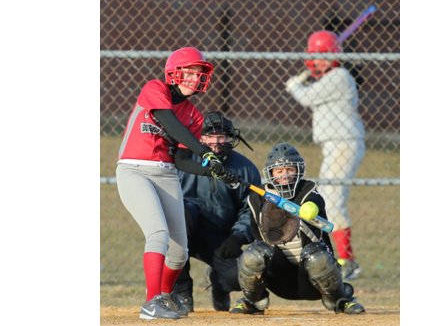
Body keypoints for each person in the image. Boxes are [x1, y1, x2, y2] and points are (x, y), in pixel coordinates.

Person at [115, 47, 237, 320]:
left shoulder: (194, 115)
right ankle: (150, 303)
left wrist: (212, 171)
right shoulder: (155, 88)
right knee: (158, 234)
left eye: (200, 72)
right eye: (191, 71)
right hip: (135, 170)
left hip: (167, 174)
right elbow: (171, 124)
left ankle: (164, 296)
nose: (196, 76)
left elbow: (182, 159)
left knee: (180, 252)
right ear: (174, 73)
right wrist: (206, 153)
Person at [229, 143, 365, 315]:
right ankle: (253, 301)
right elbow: (257, 236)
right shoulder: (257, 198)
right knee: (253, 254)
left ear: (298, 170)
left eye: (289, 169)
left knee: (317, 256)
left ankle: (340, 300)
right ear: (270, 173)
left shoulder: (307, 190)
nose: (285, 175)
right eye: (279, 171)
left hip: (313, 280)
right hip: (279, 279)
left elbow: (316, 201)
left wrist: (310, 208)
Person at [284, 30, 366, 280]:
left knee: (331, 200)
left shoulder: (339, 76)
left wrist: (295, 85)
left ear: (334, 57)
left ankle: (347, 261)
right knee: (327, 198)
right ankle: (340, 257)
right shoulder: (329, 79)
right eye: (314, 56)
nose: (317, 61)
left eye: (322, 56)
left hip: (344, 143)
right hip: (335, 144)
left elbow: (307, 97)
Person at [173, 111, 262, 313]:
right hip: (185, 229)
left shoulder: (245, 168)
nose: (215, 142)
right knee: (182, 214)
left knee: (241, 276)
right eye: (208, 136)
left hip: (219, 238)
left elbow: (252, 208)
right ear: (198, 138)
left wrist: (237, 237)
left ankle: (219, 284)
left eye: (220, 136)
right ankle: (181, 291)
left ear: (230, 137)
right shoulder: (183, 161)